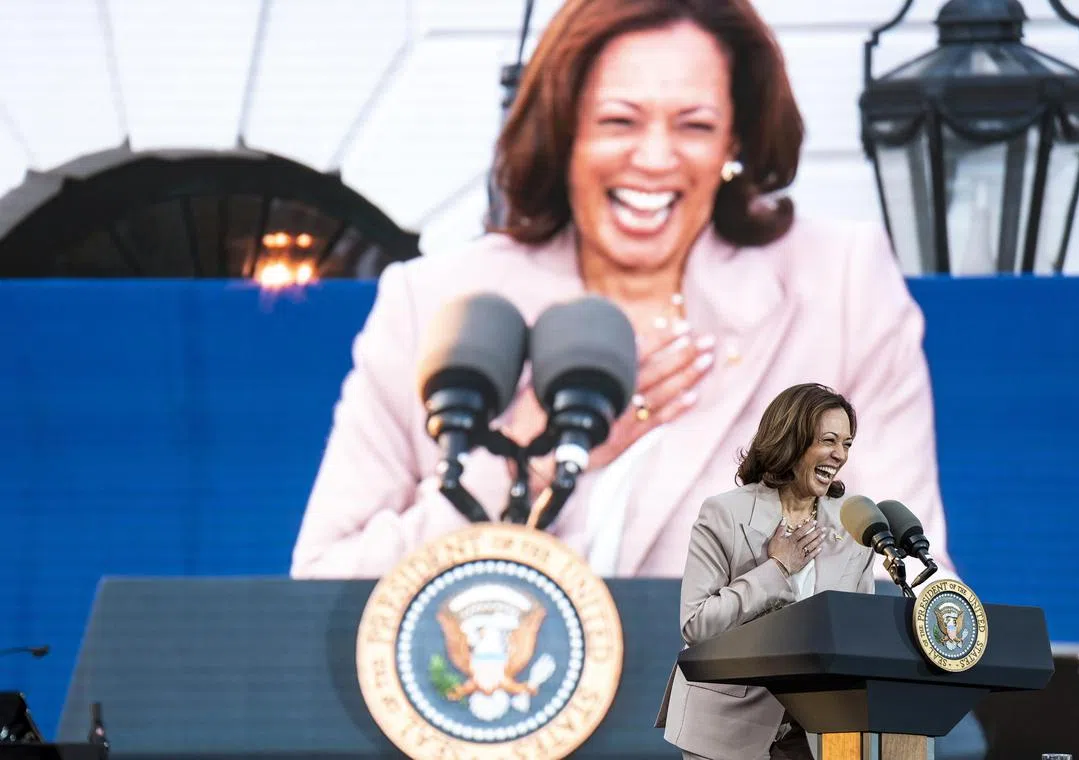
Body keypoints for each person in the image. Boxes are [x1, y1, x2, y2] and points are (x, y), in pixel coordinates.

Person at [288, 0, 955, 584]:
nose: (656, 158)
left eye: (694, 125)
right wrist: (530, 465)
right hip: (492, 715)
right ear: (565, 130)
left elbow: (909, 573)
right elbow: (325, 583)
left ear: (736, 141)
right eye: (619, 121)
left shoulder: (838, 283)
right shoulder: (431, 302)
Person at [656, 383, 872, 760]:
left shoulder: (853, 526)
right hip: (728, 727)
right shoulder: (724, 514)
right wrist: (777, 568)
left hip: (818, 733)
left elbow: (857, 632)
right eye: (828, 440)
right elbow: (696, 625)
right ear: (791, 440)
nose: (840, 455)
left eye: (847, 444)